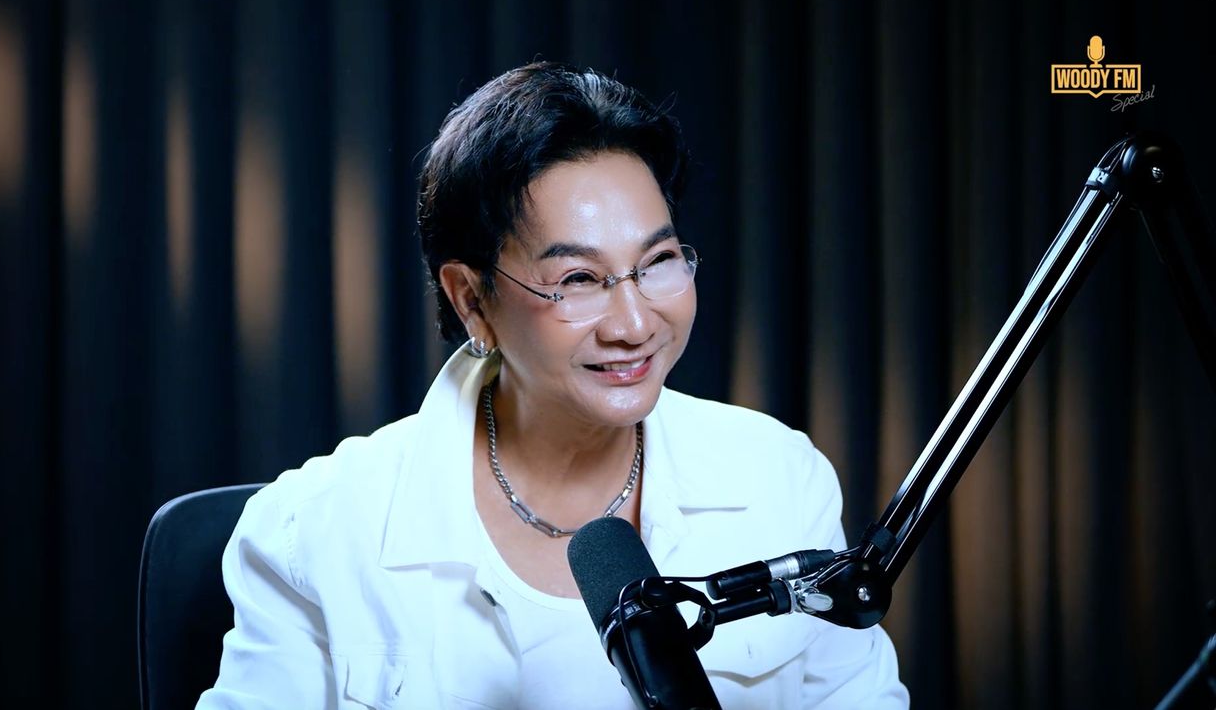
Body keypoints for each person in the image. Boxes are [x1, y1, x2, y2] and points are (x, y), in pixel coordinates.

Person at [197, 61, 908, 709]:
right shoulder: (313, 531)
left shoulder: (778, 479)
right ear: (472, 299)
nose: (634, 322)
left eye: (658, 260)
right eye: (578, 279)